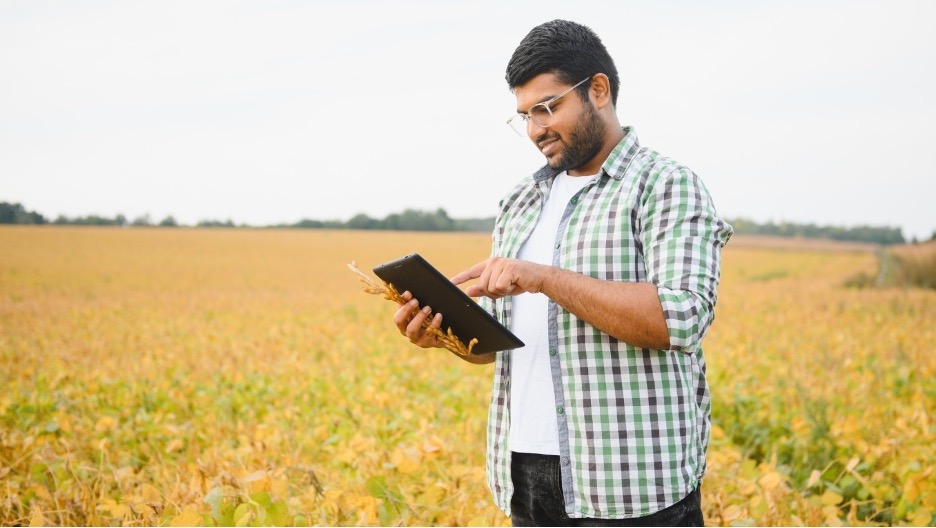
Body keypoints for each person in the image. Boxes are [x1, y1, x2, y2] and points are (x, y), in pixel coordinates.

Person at [393, 19, 732, 527]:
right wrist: (446, 336)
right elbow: (503, 346)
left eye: (548, 107)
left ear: (599, 91)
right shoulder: (522, 199)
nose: (535, 129)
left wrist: (544, 277)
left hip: (631, 484)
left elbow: (679, 320)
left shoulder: (665, 185)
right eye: (525, 115)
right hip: (524, 477)